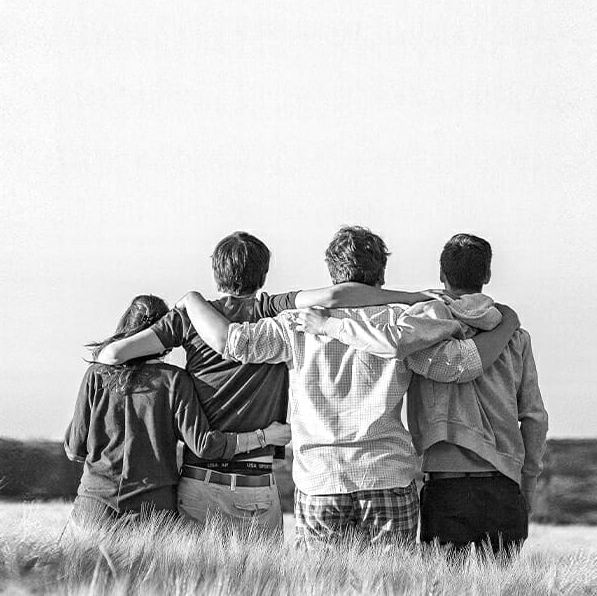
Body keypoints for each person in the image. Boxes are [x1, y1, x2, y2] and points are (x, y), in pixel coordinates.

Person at [179, 225, 518, 546]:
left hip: (319, 480)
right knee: (391, 587)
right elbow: (457, 366)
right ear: (381, 273)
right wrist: (506, 325)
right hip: (386, 475)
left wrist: (191, 300)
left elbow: (233, 343)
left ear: (333, 272)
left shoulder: (297, 323)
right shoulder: (402, 321)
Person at [91, 231, 418, 534]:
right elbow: (334, 296)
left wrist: (183, 314)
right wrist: (413, 296)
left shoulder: (189, 317)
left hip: (199, 479)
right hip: (257, 484)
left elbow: (113, 354)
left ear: (216, 272)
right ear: (263, 275)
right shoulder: (273, 309)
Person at [304, 234, 547, 556]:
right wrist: (527, 483)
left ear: (442, 274)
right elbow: (533, 417)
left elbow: (392, 344)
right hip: (503, 484)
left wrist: (331, 325)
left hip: (446, 484)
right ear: (487, 275)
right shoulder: (516, 337)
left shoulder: (422, 329)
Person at [64, 294, 290, 527]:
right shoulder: (174, 381)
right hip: (152, 511)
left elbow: (74, 449)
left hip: (94, 506)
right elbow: (205, 446)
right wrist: (264, 437)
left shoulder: (96, 375)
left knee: (82, 565)